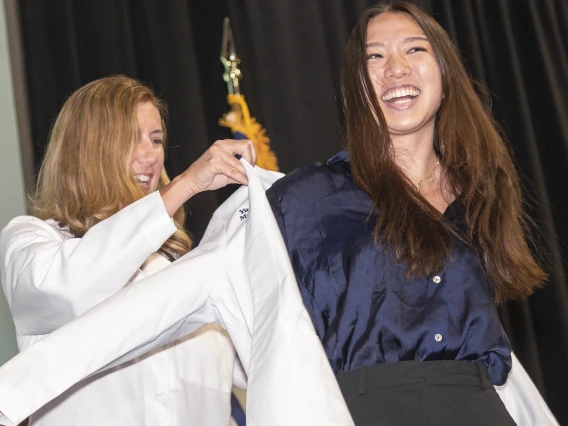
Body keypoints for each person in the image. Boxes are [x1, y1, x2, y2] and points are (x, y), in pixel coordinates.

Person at [264, 1, 547, 425]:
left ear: (445, 72)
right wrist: (182, 192)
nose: (396, 68)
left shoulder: (483, 193)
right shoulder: (303, 199)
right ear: (354, 84)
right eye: (374, 56)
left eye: (415, 49)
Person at [0, 75, 255, 425]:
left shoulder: (183, 264)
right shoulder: (33, 241)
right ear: (86, 149)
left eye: (156, 139)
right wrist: (185, 185)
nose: (151, 155)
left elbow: (260, 365)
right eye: (129, 139)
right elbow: (69, 291)